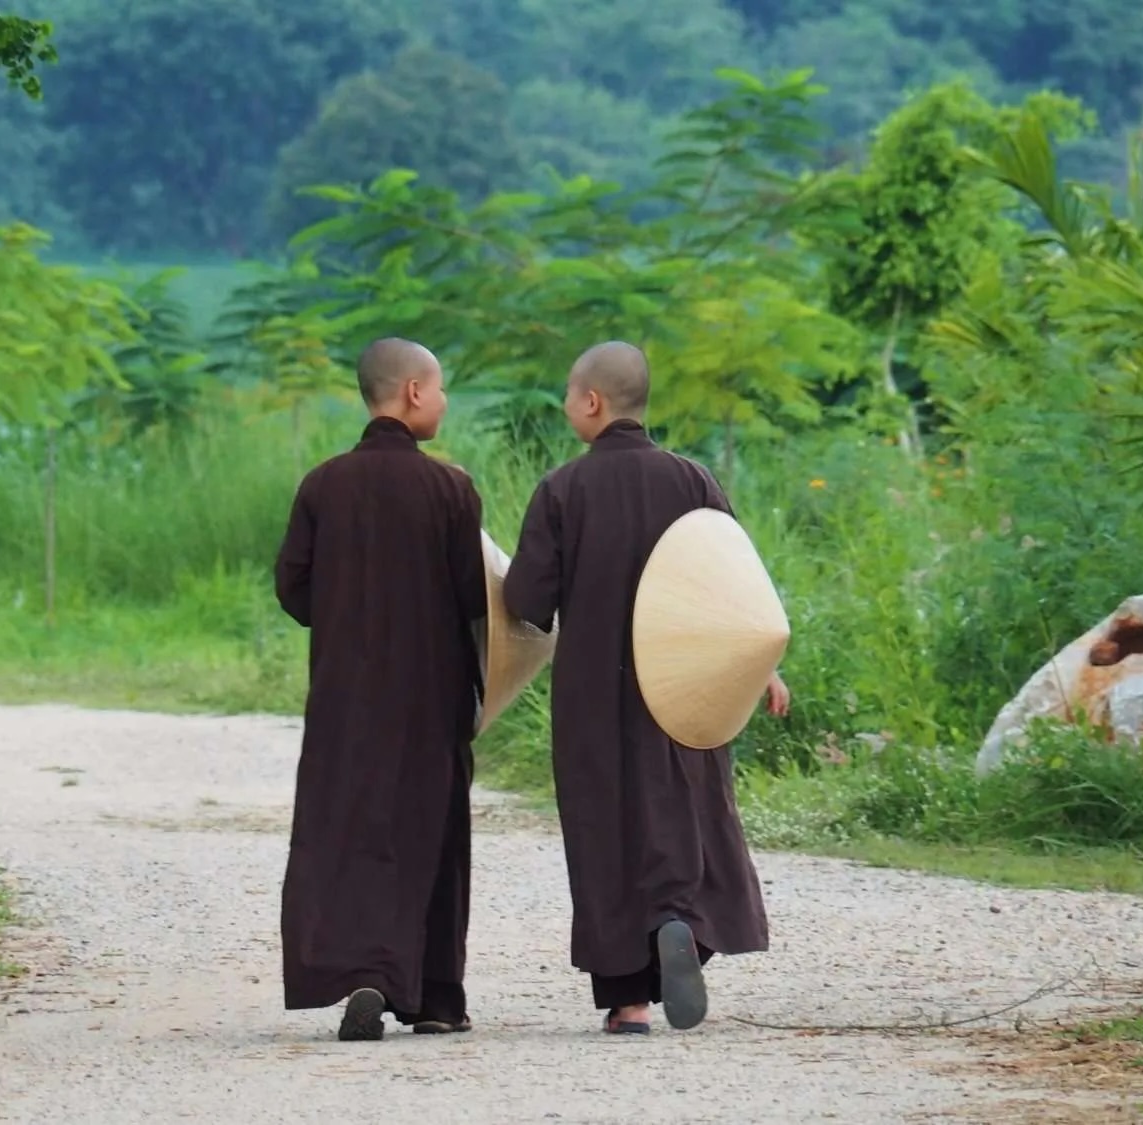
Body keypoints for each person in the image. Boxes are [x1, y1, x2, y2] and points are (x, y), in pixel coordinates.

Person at [502, 340, 790, 1036]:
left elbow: (528, 600)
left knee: (606, 828)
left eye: (570, 395)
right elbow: (735, 591)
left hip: (594, 696)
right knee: (688, 813)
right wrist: (762, 670)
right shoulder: (693, 480)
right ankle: (680, 923)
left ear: (592, 402)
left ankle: (628, 1000)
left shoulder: (562, 490)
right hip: (689, 684)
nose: (568, 405)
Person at [272, 336, 488, 1042]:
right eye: (442, 386)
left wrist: (344, 609)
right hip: (431, 699)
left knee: (348, 831)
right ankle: (434, 999)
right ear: (415, 393)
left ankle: (361, 974)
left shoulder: (322, 484)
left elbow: (294, 590)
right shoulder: (449, 487)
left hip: (345, 699)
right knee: (431, 832)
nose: (444, 399)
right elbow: (474, 597)